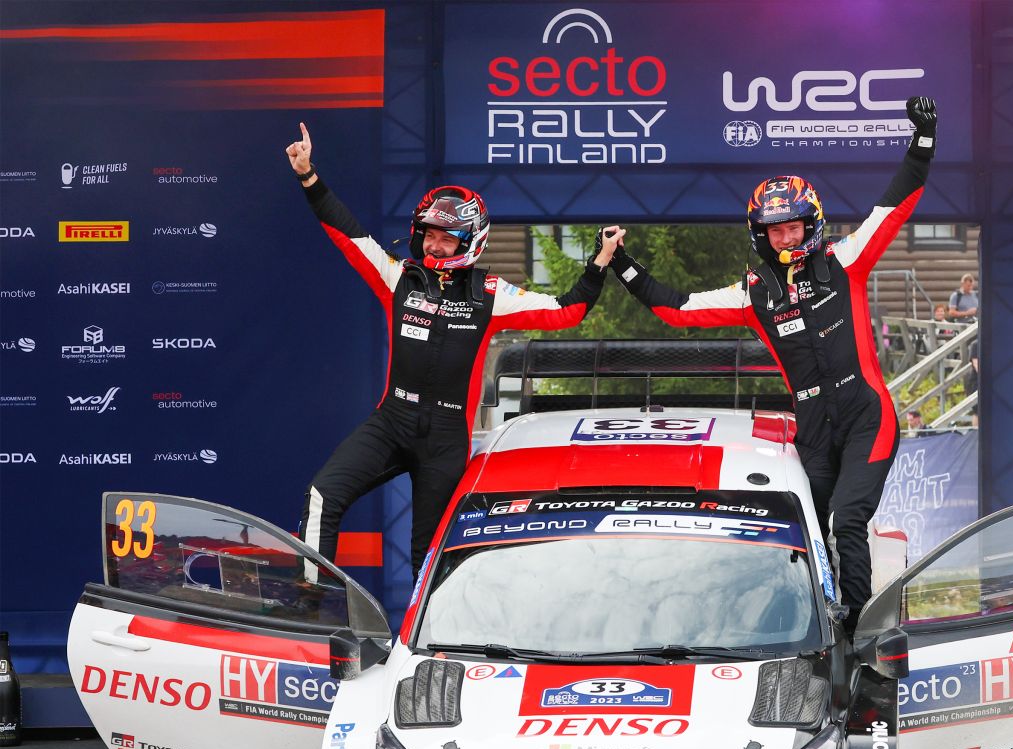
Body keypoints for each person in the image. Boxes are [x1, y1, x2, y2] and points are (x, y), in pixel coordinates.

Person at [607, 97, 937, 628]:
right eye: (775, 230)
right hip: (814, 431)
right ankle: (816, 624)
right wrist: (622, 265)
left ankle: (858, 632)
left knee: (846, 521)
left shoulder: (846, 260)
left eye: (795, 227)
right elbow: (679, 309)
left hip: (867, 418)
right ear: (761, 235)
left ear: (812, 225)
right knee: (809, 530)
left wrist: (923, 139)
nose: (786, 238)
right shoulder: (753, 292)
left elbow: (894, 206)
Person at [285, 122, 614, 579]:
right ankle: (311, 606)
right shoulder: (399, 278)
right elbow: (348, 233)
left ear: (470, 241)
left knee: (430, 554)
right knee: (323, 494)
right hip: (392, 421)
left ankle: (424, 628)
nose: (435, 245)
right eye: (429, 234)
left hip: (445, 440)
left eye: (447, 237)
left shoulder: (492, 294)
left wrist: (598, 263)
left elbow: (566, 312)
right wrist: (309, 176)